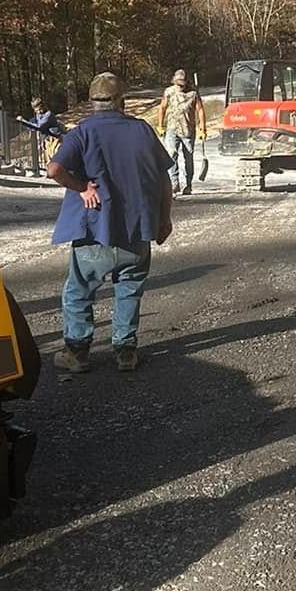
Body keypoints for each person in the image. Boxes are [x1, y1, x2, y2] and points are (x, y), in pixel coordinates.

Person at [47, 72, 172, 374]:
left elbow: (54, 170)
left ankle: (76, 353)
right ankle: (125, 353)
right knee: (129, 289)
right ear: (121, 101)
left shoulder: (82, 132)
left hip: (95, 233)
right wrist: (164, 218)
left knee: (78, 292)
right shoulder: (142, 131)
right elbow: (164, 179)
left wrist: (82, 188)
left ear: (91, 102)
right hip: (136, 232)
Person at [154, 68, 207, 197]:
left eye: (182, 83)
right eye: (178, 83)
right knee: (171, 155)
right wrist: (160, 125)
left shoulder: (193, 93)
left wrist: (202, 128)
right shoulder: (169, 92)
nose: (180, 85)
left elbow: (200, 110)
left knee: (188, 157)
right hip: (172, 129)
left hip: (188, 130)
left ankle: (188, 184)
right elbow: (162, 108)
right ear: (174, 81)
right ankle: (174, 183)